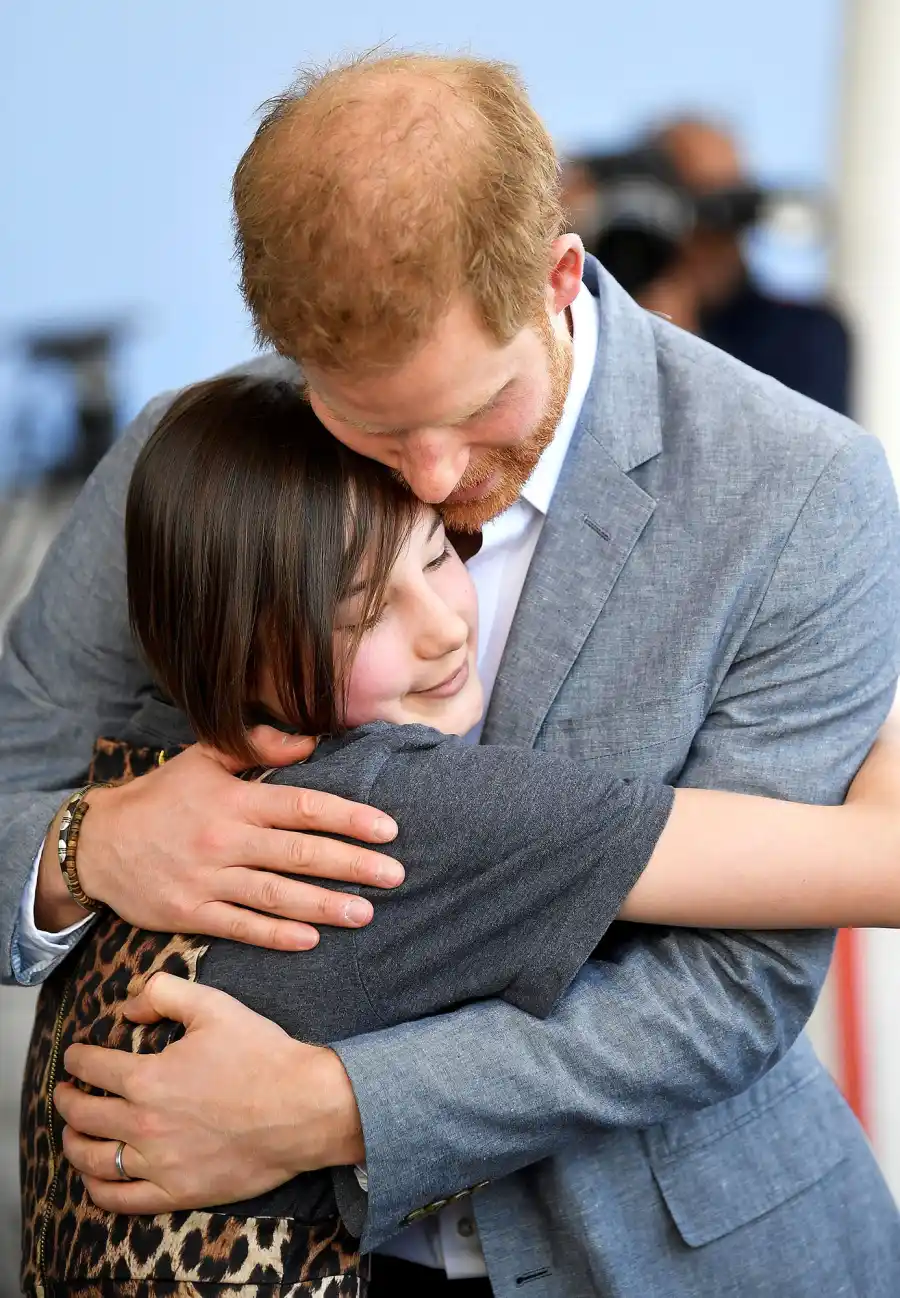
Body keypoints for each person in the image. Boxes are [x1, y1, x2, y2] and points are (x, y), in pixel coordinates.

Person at [3, 52, 900, 1298]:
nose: (428, 476)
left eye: (476, 409)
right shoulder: (194, 465)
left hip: (671, 1257)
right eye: (370, 425)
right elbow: (16, 766)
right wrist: (85, 844)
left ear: (559, 276)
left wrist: (334, 1105)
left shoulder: (806, 492)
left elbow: (734, 987)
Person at [636, 117, 852, 414]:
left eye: (726, 196)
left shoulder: (806, 335)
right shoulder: (593, 313)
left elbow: (797, 450)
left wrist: (679, 346)